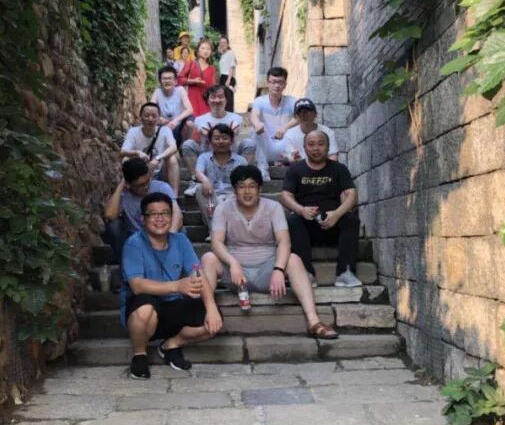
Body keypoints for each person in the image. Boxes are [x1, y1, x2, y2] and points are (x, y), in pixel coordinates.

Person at [200, 165, 337, 339]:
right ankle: (208, 313)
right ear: (234, 191)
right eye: (241, 187)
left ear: (260, 189)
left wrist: (278, 270)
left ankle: (314, 322)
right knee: (208, 258)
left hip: (267, 270)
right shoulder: (223, 208)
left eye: (252, 186)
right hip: (236, 274)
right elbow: (216, 242)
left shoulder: (273, 207)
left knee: (294, 260)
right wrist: (233, 263)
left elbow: (284, 241)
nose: (247, 192)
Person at [121, 191, 222, 378]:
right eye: (153, 214)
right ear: (143, 219)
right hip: (144, 306)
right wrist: (177, 286)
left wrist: (211, 308)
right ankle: (140, 354)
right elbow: (137, 285)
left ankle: (171, 344)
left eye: (165, 213)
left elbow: (198, 273)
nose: (160, 219)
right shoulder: (133, 244)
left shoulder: (180, 240)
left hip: (173, 304)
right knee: (145, 309)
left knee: (213, 321)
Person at [280, 129, 361, 288]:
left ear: (328, 147)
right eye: (311, 144)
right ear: (304, 147)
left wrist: (337, 214)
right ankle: (305, 273)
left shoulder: (339, 169)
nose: (316, 148)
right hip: (306, 228)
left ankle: (345, 273)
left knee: (351, 219)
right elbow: (284, 196)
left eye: (320, 144)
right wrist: (301, 210)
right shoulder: (295, 170)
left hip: (332, 224)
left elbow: (352, 194)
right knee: (293, 219)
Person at [103, 157, 183, 263]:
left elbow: (177, 214)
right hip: (136, 241)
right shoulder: (123, 196)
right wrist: (121, 185)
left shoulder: (161, 187)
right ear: (129, 184)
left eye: (147, 182)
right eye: (140, 185)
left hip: (162, 234)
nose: (146, 187)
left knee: (181, 231)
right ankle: (127, 266)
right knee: (114, 226)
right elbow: (109, 215)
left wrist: (167, 238)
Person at [180, 84, 255, 195]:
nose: (217, 100)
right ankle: (196, 180)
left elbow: (229, 135)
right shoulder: (200, 120)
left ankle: (241, 179)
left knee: (249, 143)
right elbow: (209, 134)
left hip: (231, 155)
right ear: (208, 100)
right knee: (188, 144)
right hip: (207, 156)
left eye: (220, 97)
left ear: (226, 100)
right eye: (213, 97)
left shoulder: (237, 118)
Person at [193, 123, 247, 232]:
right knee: (199, 188)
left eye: (225, 138)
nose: (221, 141)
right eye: (217, 138)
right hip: (211, 197)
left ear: (232, 141)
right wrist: (205, 180)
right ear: (210, 141)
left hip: (232, 198)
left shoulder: (240, 161)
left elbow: (244, 181)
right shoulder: (204, 157)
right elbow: (198, 172)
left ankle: (217, 232)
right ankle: (216, 231)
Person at [249, 67, 297, 182]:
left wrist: (285, 127)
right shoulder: (260, 101)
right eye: (273, 82)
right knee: (256, 130)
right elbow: (254, 115)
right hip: (266, 147)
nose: (277, 85)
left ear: (285, 84)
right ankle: (263, 169)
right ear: (268, 83)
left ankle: (297, 168)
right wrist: (257, 124)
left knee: (300, 130)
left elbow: (299, 117)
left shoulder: (292, 101)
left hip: (286, 148)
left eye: (280, 82)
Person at [120, 102, 180, 195]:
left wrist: (157, 158)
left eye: (154, 116)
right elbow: (123, 151)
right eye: (146, 115)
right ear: (140, 117)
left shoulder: (165, 130)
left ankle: (174, 196)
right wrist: (137, 152)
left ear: (159, 118)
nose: (150, 119)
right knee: (126, 159)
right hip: (139, 174)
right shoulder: (133, 132)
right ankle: (125, 190)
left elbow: (173, 147)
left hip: (160, 172)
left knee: (172, 159)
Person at [151, 65, 194, 153]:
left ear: (175, 81)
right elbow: (150, 108)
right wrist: (158, 117)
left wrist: (176, 120)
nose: (167, 81)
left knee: (190, 124)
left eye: (170, 78)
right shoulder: (157, 92)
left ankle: (184, 146)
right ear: (160, 81)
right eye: (164, 78)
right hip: (164, 124)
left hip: (179, 122)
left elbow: (190, 109)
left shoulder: (180, 90)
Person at [282, 98, 339, 163]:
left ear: (315, 114)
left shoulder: (327, 132)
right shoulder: (289, 135)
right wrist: (293, 158)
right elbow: (288, 158)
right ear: (295, 117)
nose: (304, 115)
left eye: (307, 111)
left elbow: (333, 157)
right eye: (300, 112)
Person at [180, 37, 217, 118]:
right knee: (193, 123)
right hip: (192, 101)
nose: (205, 51)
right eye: (203, 48)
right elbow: (179, 79)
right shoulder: (191, 63)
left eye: (208, 49)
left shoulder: (212, 69)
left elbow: (214, 88)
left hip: (206, 103)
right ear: (198, 50)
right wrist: (193, 81)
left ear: (211, 52)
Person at [217, 35, 237, 112]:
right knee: (223, 101)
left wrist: (228, 79)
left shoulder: (230, 53)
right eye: (221, 43)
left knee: (228, 101)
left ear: (228, 44)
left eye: (224, 42)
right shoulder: (223, 55)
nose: (222, 44)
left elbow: (232, 66)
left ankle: (230, 117)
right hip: (222, 78)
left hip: (227, 77)